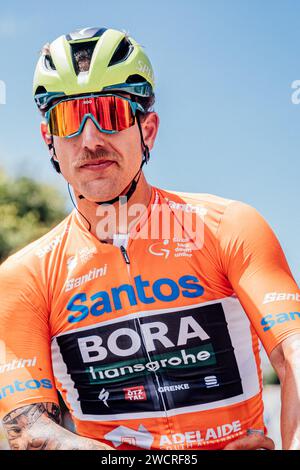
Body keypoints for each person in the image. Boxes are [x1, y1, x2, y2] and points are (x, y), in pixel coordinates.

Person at [0, 26, 298, 451]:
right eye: (68, 119)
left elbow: (294, 357)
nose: (90, 140)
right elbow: (31, 434)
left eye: (110, 114)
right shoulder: (23, 276)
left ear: (149, 130)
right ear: (50, 141)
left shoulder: (228, 226)